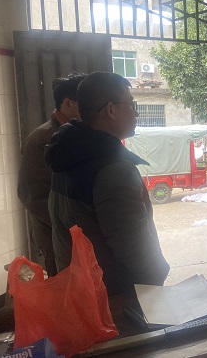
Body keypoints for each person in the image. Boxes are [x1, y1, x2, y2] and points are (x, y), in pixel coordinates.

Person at [46, 71, 170, 296]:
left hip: (82, 291)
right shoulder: (114, 171)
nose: (136, 113)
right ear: (111, 110)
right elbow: (134, 250)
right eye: (131, 105)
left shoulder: (67, 155)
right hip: (117, 297)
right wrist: (157, 275)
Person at [17, 72, 85, 277]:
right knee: (66, 291)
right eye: (86, 101)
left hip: (78, 236)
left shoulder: (79, 134)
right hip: (58, 239)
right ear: (68, 103)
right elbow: (32, 195)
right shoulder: (42, 139)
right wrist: (72, 226)